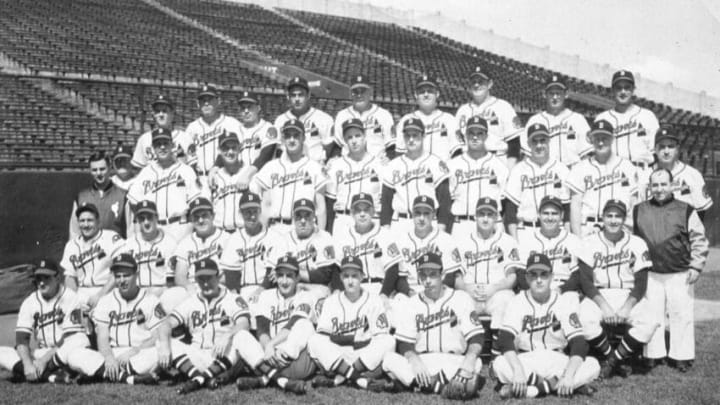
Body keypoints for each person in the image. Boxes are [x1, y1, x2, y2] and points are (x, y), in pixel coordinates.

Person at [493, 253, 599, 399]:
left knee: (593, 365)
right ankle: (561, 386)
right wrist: (517, 370)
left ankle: (532, 390)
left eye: (544, 274)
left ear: (552, 276)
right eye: (533, 275)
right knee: (499, 364)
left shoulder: (563, 302)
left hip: (557, 358)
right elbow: (505, 339)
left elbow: (579, 343)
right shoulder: (517, 301)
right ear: (526, 277)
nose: (538, 280)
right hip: (526, 359)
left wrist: (568, 374)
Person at [380, 253, 485, 400]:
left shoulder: (461, 298)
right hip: (424, 361)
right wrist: (414, 359)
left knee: (476, 363)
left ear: (442, 275)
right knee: (389, 359)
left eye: (433, 274)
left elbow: (477, 336)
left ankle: (416, 384)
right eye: (423, 275)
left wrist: (470, 359)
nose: (427, 280)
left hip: (453, 359)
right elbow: (404, 343)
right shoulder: (411, 303)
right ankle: (445, 387)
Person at [634, 168, 709, 372]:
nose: (659, 189)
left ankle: (681, 356)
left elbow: (698, 239)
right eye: (655, 185)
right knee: (652, 314)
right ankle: (653, 355)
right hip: (651, 272)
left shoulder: (686, 209)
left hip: (679, 271)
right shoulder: (639, 209)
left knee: (681, 313)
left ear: (672, 185)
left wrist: (696, 265)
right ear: (650, 186)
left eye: (663, 184)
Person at [575, 200, 658, 379]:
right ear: (602, 218)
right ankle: (611, 356)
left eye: (618, 216)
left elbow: (641, 284)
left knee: (650, 321)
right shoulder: (589, 242)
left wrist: (627, 308)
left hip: (627, 294)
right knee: (583, 320)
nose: (613, 220)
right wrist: (605, 308)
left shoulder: (637, 243)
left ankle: (613, 360)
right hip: (599, 294)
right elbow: (586, 283)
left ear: (624, 218)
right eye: (609, 216)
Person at [156, 259, 253, 394]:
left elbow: (244, 323)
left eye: (210, 278)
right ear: (196, 280)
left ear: (218, 277)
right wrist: (165, 346)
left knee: (239, 339)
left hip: (224, 355)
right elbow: (166, 323)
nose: (206, 283)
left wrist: (227, 335)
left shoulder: (232, 298)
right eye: (201, 279)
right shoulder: (191, 302)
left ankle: (198, 379)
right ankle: (201, 378)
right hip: (198, 356)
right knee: (163, 341)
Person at [67, 254, 164, 385]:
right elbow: (102, 337)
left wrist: (135, 351)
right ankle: (128, 377)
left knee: (159, 351)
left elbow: (157, 336)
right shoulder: (105, 301)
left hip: (140, 352)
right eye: (118, 276)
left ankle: (104, 373)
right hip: (114, 352)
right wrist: (109, 358)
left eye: (126, 275)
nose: (122, 280)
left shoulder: (151, 299)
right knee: (74, 355)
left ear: (137, 274)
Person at [233, 255, 318, 394]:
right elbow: (262, 328)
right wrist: (268, 347)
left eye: (289, 276)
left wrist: (272, 345)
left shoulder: (306, 296)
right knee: (241, 336)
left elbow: (292, 324)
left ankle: (264, 378)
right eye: (280, 276)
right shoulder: (266, 296)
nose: (284, 281)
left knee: (304, 324)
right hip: (270, 356)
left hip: (294, 359)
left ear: (297, 278)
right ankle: (281, 381)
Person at [307, 256, 395, 390]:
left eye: (354, 276)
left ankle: (339, 379)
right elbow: (324, 336)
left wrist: (360, 342)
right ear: (341, 278)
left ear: (362, 277)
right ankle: (358, 379)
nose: (350, 281)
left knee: (389, 341)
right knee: (314, 340)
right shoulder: (331, 301)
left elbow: (380, 336)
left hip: (363, 355)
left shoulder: (374, 300)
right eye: (346, 276)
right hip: (338, 353)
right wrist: (352, 339)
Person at [0, 259, 88, 383]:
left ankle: (50, 371)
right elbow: (21, 339)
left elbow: (70, 336)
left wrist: (44, 361)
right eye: (38, 278)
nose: (41, 283)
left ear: (57, 277)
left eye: (46, 278)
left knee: (79, 340)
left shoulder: (71, 298)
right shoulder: (29, 302)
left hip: (63, 351)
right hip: (42, 352)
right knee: (2, 352)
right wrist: (27, 364)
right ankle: (52, 376)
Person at [455, 197, 523, 353]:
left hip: (496, 293)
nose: (485, 218)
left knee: (507, 298)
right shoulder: (462, 242)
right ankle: (464, 350)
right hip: (471, 293)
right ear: (475, 217)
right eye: (481, 214)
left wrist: (495, 288)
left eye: (490, 214)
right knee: (458, 300)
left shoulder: (507, 241)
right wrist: (466, 288)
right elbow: (457, 278)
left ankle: (497, 348)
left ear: (496, 218)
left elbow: (512, 277)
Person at [250, 119, 328, 233]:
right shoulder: (271, 167)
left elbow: (320, 208)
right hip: (275, 228)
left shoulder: (314, 168)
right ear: (282, 139)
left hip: (303, 228)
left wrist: (320, 236)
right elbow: (266, 205)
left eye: (296, 136)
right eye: (288, 136)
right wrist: (263, 234)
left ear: (303, 138)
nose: (292, 140)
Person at [127, 127, 202, 242]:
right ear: (153, 148)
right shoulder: (146, 172)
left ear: (172, 145)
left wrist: (190, 225)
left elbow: (196, 201)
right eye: (158, 144)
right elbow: (133, 200)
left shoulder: (186, 170)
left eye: (165, 143)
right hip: (155, 227)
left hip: (180, 226)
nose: (162, 147)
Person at [566, 120, 637, 236]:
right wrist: (578, 238)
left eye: (604, 138)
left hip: (619, 227)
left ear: (612, 139)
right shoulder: (580, 168)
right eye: (597, 138)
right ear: (591, 140)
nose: (600, 143)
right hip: (588, 228)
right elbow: (575, 206)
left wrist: (630, 232)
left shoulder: (627, 167)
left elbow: (634, 204)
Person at [381, 118, 452, 234]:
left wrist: (442, 226)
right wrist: (385, 226)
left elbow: (444, 199)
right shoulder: (393, 165)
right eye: (407, 136)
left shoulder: (435, 162)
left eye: (415, 135)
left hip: (429, 221)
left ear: (424, 136)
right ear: (403, 138)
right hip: (401, 223)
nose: (411, 139)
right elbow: (386, 201)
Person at [506, 123, 571, 242]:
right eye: (534, 141)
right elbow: (510, 210)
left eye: (542, 140)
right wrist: (515, 242)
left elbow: (567, 209)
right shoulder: (518, 170)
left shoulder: (561, 169)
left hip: (557, 231)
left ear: (548, 142)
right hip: (528, 231)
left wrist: (567, 237)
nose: (539, 145)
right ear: (529, 144)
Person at [220, 191, 287, 303]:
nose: (252, 216)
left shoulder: (275, 237)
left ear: (260, 211)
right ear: (240, 213)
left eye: (255, 211)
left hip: (267, 290)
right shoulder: (234, 240)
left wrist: (260, 291)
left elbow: (271, 273)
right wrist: (236, 298)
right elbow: (231, 275)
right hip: (241, 290)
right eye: (247, 212)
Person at [447, 116, 508, 238]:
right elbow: (448, 200)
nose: (475, 137)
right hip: (462, 223)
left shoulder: (499, 165)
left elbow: (505, 201)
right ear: (465, 135)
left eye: (479, 133)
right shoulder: (452, 165)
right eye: (471, 133)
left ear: (486, 136)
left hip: (491, 224)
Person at [333, 193, 403, 297]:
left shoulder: (385, 234)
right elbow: (336, 269)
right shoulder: (343, 237)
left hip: (379, 287)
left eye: (366, 210)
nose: (362, 214)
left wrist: (384, 294)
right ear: (351, 213)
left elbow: (393, 269)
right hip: (353, 290)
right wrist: (339, 290)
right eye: (358, 210)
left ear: (373, 211)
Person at [391, 196, 463, 296]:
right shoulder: (401, 241)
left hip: (439, 293)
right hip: (411, 294)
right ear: (412, 214)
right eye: (418, 213)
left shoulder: (446, 239)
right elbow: (399, 278)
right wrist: (409, 292)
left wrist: (434, 292)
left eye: (426, 213)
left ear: (433, 214)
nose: (421, 218)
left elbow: (451, 276)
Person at [638, 126, 713, 221]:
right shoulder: (644, 176)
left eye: (670, 146)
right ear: (655, 149)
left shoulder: (692, 175)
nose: (666, 151)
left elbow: (701, 211)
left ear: (677, 148)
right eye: (662, 147)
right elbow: (640, 212)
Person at [455, 67, 523, 167]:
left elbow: (515, 144)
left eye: (481, 81)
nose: (476, 85)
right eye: (474, 82)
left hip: (497, 160)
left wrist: (509, 169)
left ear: (490, 84)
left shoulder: (503, 106)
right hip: (469, 164)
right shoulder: (462, 111)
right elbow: (456, 146)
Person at [325, 118, 383, 235]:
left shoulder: (379, 165)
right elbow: (330, 201)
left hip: (372, 220)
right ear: (345, 140)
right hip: (343, 219)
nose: (354, 141)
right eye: (349, 137)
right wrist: (329, 231)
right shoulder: (336, 165)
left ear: (365, 135)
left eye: (357, 135)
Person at [61, 203, 124, 308]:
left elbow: (119, 270)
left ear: (98, 221)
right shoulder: (71, 245)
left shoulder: (111, 238)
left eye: (90, 220)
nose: (86, 225)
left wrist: (100, 295)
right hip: (81, 292)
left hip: (108, 291)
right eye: (82, 221)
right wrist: (74, 300)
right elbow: (69, 277)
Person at [517, 196, 583, 293]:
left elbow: (577, 275)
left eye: (554, 213)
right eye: (545, 213)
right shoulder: (527, 240)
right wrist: (534, 290)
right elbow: (520, 273)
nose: (550, 218)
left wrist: (562, 289)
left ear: (562, 215)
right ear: (539, 215)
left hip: (564, 289)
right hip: (534, 288)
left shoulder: (572, 240)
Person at [522, 75, 591, 166]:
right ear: (544, 94)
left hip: (574, 170)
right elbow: (527, 156)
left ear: (566, 94)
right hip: (546, 173)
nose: (555, 97)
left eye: (558, 93)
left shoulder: (578, 119)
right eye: (551, 93)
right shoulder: (535, 121)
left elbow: (586, 155)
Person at [595, 70, 659, 168]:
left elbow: (656, 151)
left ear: (633, 89)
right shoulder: (602, 119)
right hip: (613, 172)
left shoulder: (648, 116)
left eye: (627, 88)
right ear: (612, 90)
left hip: (641, 170)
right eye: (619, 88)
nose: (623, 92)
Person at [116, 200, 178, 299]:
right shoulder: (128, 245)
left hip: (162, 293)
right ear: (137, 221)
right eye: (142, 219)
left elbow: (171, 281)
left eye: (149, 218)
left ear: (157, 218)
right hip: (136, 296)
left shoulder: (170, 242)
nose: (146, 222)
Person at [278, 199, 339, 298]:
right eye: (299, 216)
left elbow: (324, 274)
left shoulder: (324, 237)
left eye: (307, 216)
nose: (303, 221)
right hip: (292, 289)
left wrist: (295, 273)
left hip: (317, 288)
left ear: (314, 217)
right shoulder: (284, 239)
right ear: (293, 218)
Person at [185, 84, 243, 188]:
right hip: (200, 179)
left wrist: (216, 167)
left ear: (218, 101)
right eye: (203, 100)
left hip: (225, 177)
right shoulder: (192, 128)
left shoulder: (232, 124)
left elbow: (240, 151)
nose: (206, 103)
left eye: (210, 99)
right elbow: (190, 158)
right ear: (198, 104)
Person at [396, 75, 461, 161]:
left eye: (430, 91)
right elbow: (400, 153)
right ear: (416, 95)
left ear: (437, 94)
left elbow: (457, 152)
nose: (426, 94)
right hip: (416, 172)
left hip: (444, 171)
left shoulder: (449, 120)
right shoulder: (405, 120)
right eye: (421, 92)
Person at [172, 197, 231, 290]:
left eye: (204, 216)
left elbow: (232, 273)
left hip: (220, 286)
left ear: (213, 216)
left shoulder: (227, 239)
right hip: (194, 288)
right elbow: (180, 277)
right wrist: (188, 287)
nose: (200, 220)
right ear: (191, 219)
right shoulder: (185, 243)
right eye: (196, 217)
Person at [274, 76, 335, 163]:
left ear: (308, 95)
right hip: (290, 169)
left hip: (316, 165)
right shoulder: (280, 120)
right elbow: (279, 149)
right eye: (293, 95)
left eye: (301, 95)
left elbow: (329, 147)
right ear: (288, 97)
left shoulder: (324, 118)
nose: (297, 99)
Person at [333, 75, 396, 160]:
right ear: (350, 93)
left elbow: (391, 146)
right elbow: (337, 146)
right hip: (350, 166)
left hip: (377, 164)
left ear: (370, 92)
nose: (359, 95)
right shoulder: (342, 115)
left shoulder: (383, 114)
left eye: (363, 91)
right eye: (355, 91)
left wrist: (388, 159)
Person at [69, 151, 128, 239]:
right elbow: (74, 232)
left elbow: (131, 230)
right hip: (90, 250)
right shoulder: (81, 197)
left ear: (109, 168)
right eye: (94, 170)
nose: (99, 173)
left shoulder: (123, 196)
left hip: (115, 249)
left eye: (102, 169)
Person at [229, 91, 280, 191]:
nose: (246, 111)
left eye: (250, 107)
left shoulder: (268, 128)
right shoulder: (235, 131)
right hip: (240, 180)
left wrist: (248, 174)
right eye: (243, 108)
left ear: (258, 108)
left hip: (264, 179)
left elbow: (266, 154)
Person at [131, 95, 192, 170]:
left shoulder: (185, 137)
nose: (161, 114)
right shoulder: (144, 139)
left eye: (164, 111)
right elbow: (138, 169)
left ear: (172, 113)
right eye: (157, 111)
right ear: (153, 115)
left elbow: (192, 166)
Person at [210, 131, 245, 232]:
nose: (230, 152)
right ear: (219, 151)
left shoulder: (248, 174)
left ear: (239, 149)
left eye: (234, 148)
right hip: (220, 233)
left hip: (243, 232)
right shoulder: (214, 178)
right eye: (225, 148)